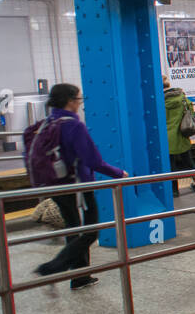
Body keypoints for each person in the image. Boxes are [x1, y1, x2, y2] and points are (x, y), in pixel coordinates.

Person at [30, 84, 129, 290]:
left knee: (73, 229)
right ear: (69, 101)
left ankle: (81, 276)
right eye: (79, 99)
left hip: (55, 185)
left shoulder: (48, 123)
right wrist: (119, 173)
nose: (79, 103)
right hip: (78, 186)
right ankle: (51, 268)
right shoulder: (74, 126)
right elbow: (93, 160)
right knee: (91, 232)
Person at [164, 75, 195, 197]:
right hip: (182, 134)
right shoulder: (182, 97)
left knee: (171, 165)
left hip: (167, 137)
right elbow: (191, 111)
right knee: (189, 162)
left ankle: (174, 191)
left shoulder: (160, 101)